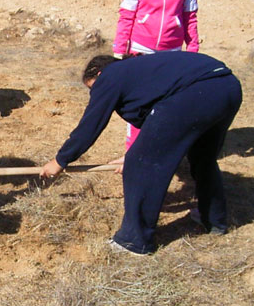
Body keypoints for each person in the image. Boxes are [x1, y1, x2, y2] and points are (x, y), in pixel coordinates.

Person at [40, 51, 241, 255]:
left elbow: (91, 125)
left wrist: (60, 160)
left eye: (93, 88)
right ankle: (214, 220)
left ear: (99, 74)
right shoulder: (144, 74)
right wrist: (132, 154)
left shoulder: (110, 75)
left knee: (141, 166)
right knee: (203, 158)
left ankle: (134, 241)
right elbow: (156, 131)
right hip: (227, 87)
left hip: (197, 92)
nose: (96, 94)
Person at [111, 0, 199, 159]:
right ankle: (133, 155)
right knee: (139, 108)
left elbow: (190, 20)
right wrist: (119, 53)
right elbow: (126, 18)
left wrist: (192, 55)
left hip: (172, 57)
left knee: (167, 107)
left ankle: (161, 153)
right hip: (141, 54)